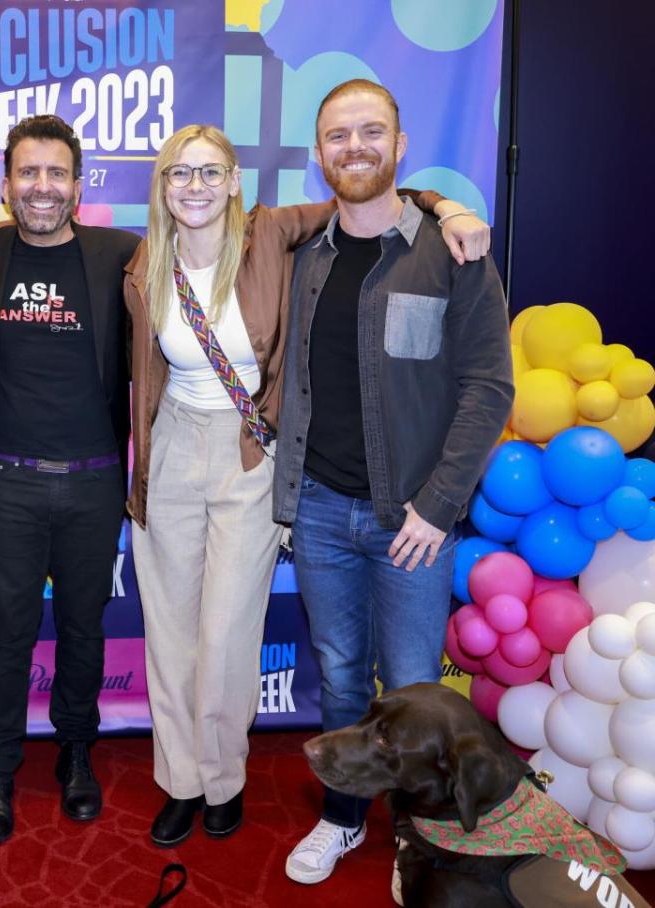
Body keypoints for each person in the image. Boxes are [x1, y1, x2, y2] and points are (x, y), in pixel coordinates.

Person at [125, 123, 491, 849]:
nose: (193, 187)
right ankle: (181, 782)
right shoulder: (143, 262)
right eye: (178, 174)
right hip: (168, 450)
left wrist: (448, 206)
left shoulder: (269, 232)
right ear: (162, 188)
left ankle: (223, 780)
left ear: (234, 182)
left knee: (228, 632)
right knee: (169, 631)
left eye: (209, 173)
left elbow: (371, 192)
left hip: (247, 455)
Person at [273, 79, 513, 885]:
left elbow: (490, 388)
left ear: (400, 145)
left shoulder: (452, 252)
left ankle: (422, 840)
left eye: (371, 131)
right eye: (338, 135)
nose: (355, 147)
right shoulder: (306, 256)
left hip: (413, 521)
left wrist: (439, 507)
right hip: (315, 511)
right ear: (319, 155)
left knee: (413, 694)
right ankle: (343, 822)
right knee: (341, 676)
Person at [0, 115, 139, 844]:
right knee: (6, 633)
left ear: (78, 184)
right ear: (5, 186)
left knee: (82, 629)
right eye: (27, 173)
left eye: (56, 173)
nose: (42, 188)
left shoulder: (122, 256)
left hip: (96, 483)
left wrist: (433, 203)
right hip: (9, 482)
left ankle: (74, 755)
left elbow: (240, 238)